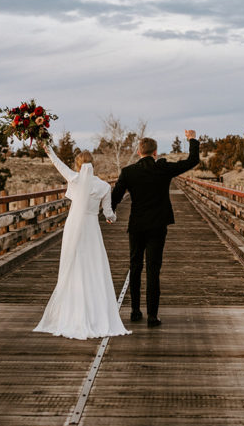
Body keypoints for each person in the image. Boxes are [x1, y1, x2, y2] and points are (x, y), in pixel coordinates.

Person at [33, 144, 130, 340]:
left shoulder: (74, 179)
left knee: (73, 266)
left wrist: (48, 148)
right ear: (93, 165)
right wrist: (113, 219)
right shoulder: (103, 186)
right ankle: (96, 313)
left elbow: (57, 163)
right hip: (92, 228)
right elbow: (108, 213)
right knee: (94, 267)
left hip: (73, 228)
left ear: (78, 166)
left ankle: (73, 311)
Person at [111, 130, 199, 327]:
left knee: (135, 267)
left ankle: (134, 311)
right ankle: (152, 315)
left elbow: (115, 197)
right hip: (157, 226)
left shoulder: (128, 172)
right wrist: (192, 139)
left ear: (139, 152)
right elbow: (192, 161)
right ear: (155, 152)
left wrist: (108, 213)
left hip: (136, 226)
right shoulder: (163, 169)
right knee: (153, 269)